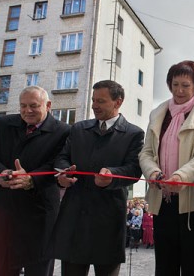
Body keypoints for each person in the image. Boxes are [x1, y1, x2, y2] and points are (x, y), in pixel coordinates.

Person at [52, 80, 144, 276]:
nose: (94, 105)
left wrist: (113, 176)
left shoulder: (134, 134)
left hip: (108, 221)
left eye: (100, 101)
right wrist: (62, 173)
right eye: (93, 100)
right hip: (74, 217)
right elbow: (62, 157)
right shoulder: (78, 129)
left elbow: (134, 170)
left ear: (117, 102)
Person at [0, 86, 70, 276]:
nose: (28, 111)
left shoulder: (64, 131)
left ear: (48, 105)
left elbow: (58, 163)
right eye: (23, 106)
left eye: (34, 106)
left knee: (39, 269)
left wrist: (31, 180)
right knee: (1, 268)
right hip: (4, 212)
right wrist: (1, 174)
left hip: (40, 215)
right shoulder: (3, 124)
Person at [139, 60, 194, 276]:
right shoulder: (158, 114)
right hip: (162, 200)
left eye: (185, 85)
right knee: (165, 264)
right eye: (175, 84)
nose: (179, 90)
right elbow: (146, 152)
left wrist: (180, 176)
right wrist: (154, 173)